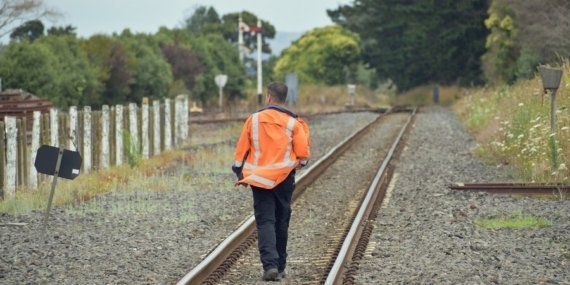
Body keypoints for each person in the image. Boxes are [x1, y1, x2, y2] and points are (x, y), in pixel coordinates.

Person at [232, 82, 310, 281]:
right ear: (285, 99)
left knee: (265, 220)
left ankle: (270, 266)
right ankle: (281, 266)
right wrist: (297, 163)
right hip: (284, 178)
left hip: (259, 179)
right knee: (282, 219)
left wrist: (239, 172)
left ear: (268, 97)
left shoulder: (254, 120)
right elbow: (303, 156)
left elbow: (240, 152)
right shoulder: (294, 123)